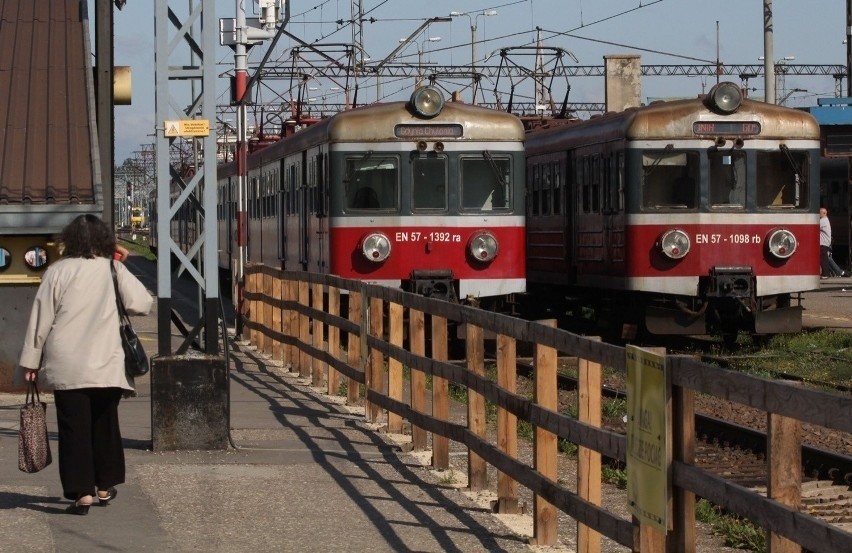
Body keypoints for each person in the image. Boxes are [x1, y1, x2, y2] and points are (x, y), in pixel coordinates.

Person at [15, 214, 153, 515]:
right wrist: (120, 263)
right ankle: (105, 486)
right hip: (106, 363)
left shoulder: (57, 271)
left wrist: (30, 361)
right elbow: (143, 304)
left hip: (68, 364)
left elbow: (40, 319)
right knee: (105, 424)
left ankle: (82, 494)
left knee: (73, 428)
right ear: (105, 239)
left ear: (71, 240)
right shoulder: (112, 268)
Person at [819, 207, 847, 279]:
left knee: (824, 258)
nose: (818, 214)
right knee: (827, 258)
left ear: (824, 213)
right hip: (825, 242)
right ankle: (838, 272)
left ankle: (826, 274)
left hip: (823, 242)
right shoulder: (825, 220)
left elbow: (815, 226)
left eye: (820, 213)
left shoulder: (823, 221)